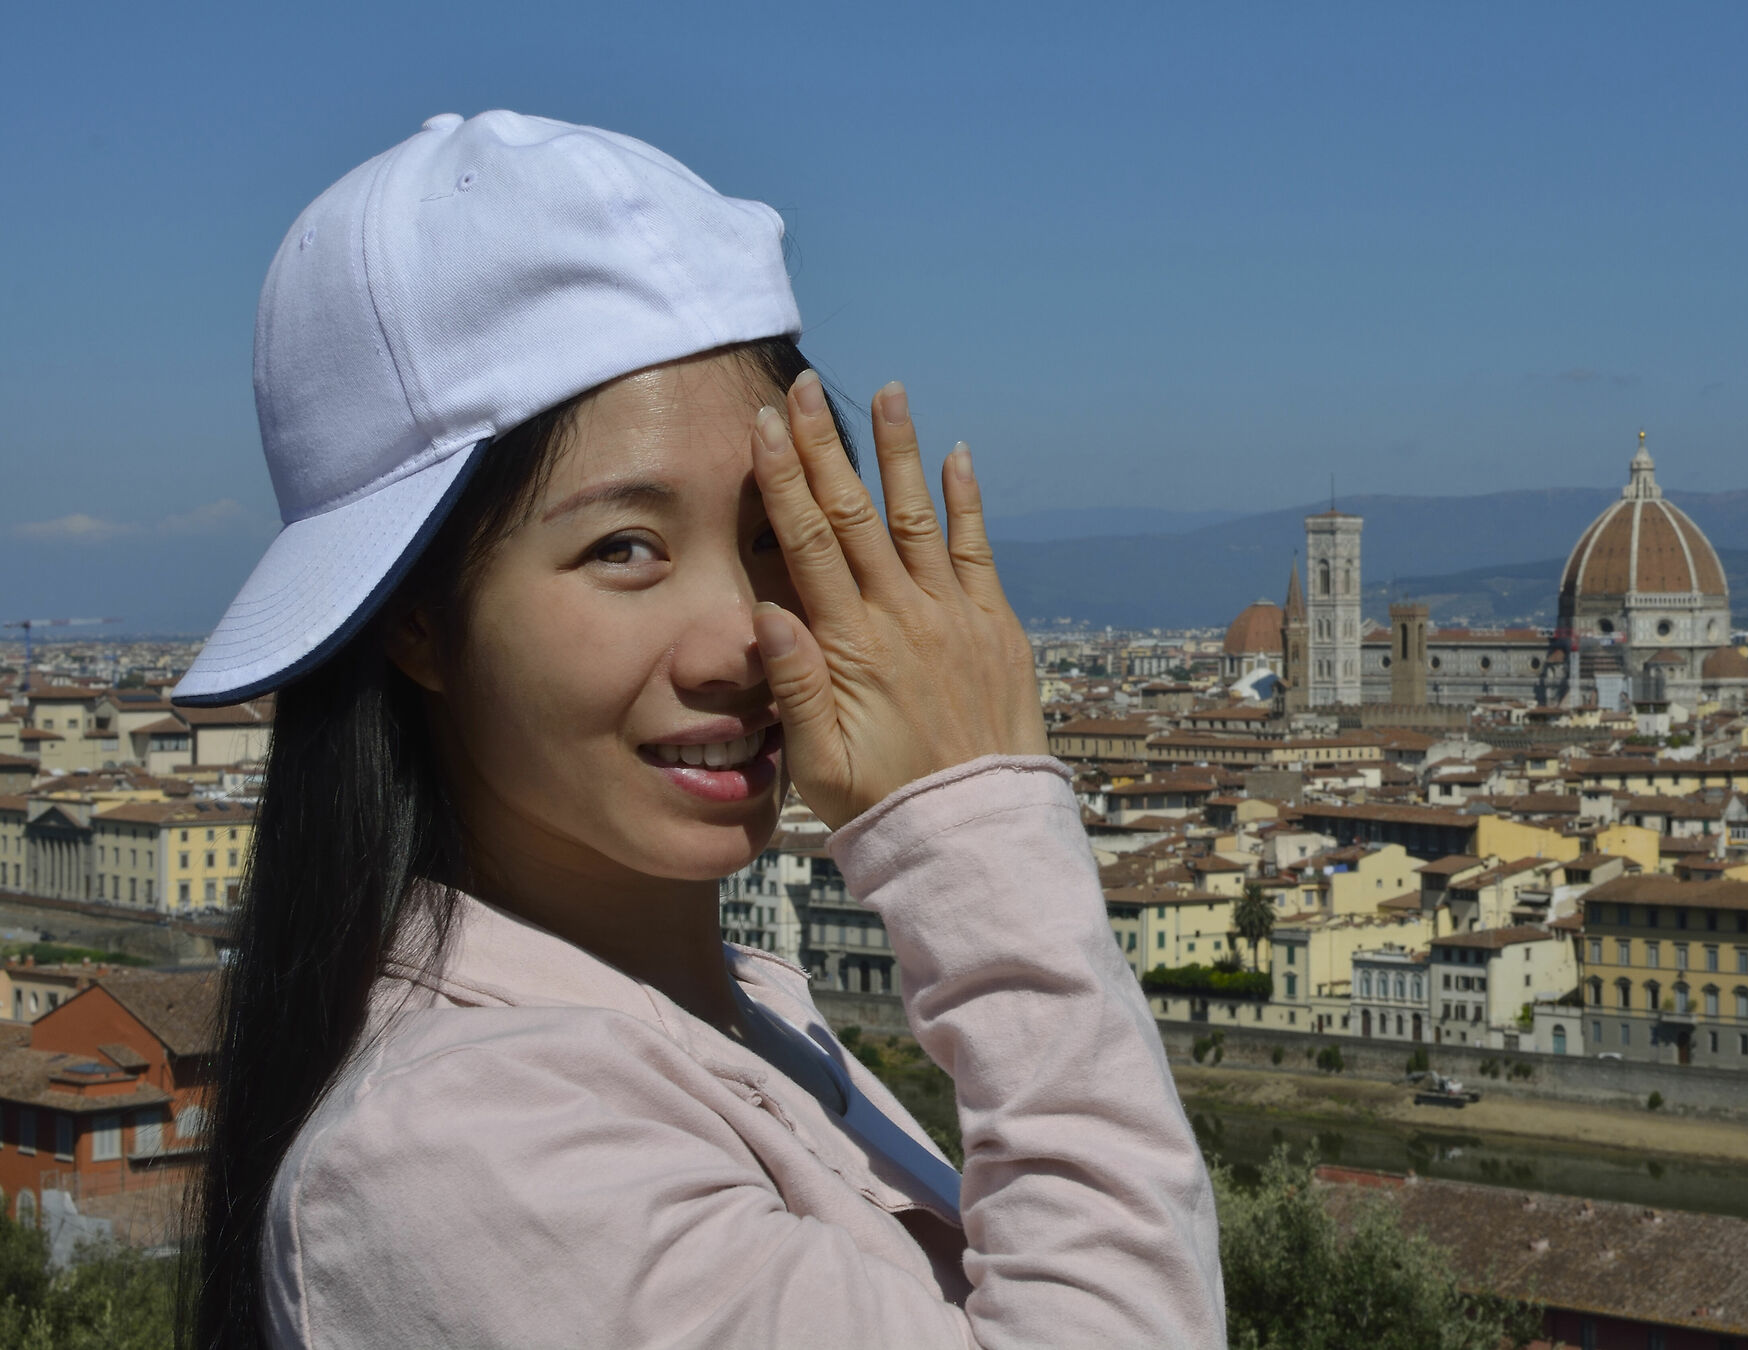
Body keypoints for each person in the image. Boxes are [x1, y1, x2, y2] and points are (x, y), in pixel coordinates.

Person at [181, 111, 1224, 1348]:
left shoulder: (737, 1018)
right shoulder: (462, 1151)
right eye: (624, 548)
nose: (746, 637)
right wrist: (981, 833)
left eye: (775, 538)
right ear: (413, 621)